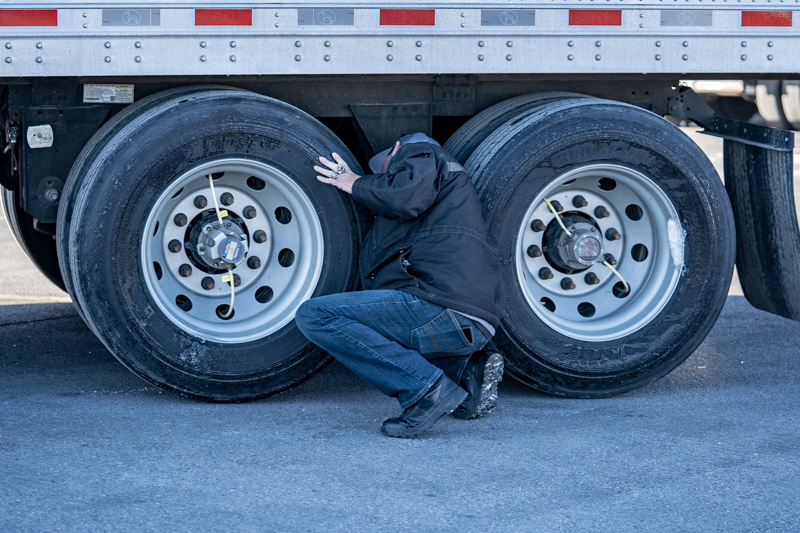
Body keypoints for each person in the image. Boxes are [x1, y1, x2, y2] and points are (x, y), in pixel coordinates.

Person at [295, 132, 504, 438]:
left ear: (395, 150)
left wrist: (353, 182)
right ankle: (466, 374)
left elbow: (405, 192)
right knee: (375, 319)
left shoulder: (422, 154)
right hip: (471, 323)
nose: (385, 177)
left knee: (315, 315)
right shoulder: (450, 200)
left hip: (441, 307)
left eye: (386, 171)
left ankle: (425, 390)